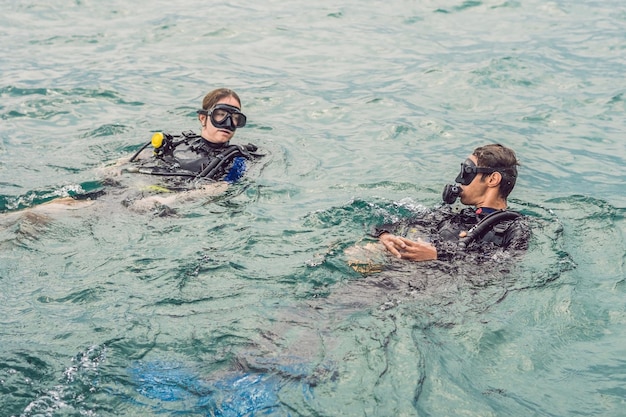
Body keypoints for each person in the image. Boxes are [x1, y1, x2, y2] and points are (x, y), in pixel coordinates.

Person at [350, 143, 529, 270]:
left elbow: (504, 266)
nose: (459, 180)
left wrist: (438, 255)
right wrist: (385, 236)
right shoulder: (451, 215)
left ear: (492, 179)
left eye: (466, 172)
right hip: (402, 273)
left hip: (439, 287)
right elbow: (396, 224)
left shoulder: (514, 227)